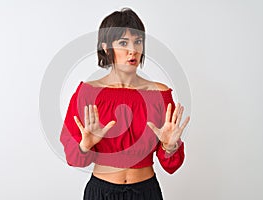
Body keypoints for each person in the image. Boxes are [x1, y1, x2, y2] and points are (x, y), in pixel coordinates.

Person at [60, 8, 190, 200]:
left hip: (146, 192)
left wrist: (170, 147)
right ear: (106, 47)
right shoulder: (87, 93)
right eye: (123, 42)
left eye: (138, 42)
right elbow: (74, 159)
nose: (133, 50)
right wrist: (84, 146)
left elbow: (171, 166)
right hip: (101, 192)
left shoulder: (160, 94)